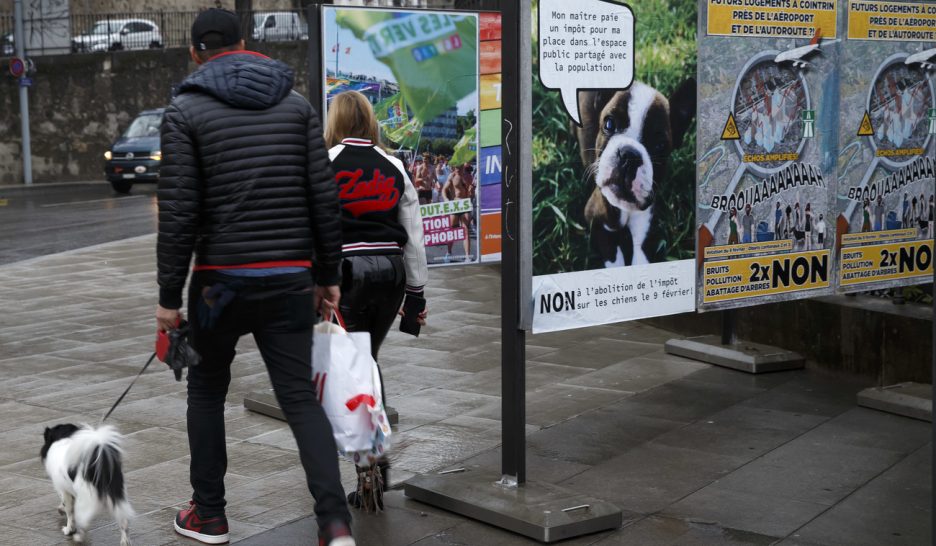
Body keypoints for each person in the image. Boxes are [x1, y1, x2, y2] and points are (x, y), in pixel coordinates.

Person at [156, 9, 354, 546]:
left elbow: (178, 214)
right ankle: (334, 524)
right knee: (299, 397)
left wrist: (169, 299)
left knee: (206, 390)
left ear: (194, 52)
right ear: (246, 43)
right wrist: (328, 273)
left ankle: (210, 516)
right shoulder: (297, 107)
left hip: (219, 283)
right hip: (290, 276)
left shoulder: (184, 111)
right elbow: (323, 197)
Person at [324, 91, 429, 510]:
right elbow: (414, 236)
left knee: (348, 368)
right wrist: (416, 298)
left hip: (345, 276)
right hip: (391, 275)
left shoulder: (324, 163)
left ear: (335, 121)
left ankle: (367, 462)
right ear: (369, 122)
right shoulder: (395, 165)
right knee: (367, 360)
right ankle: (374, 461)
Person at [442, 163, 475, 262]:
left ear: (462, 167)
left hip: (465, 204)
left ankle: (467, 256)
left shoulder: (468, 176)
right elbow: (444, 189)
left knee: (465, 230)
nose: (457, 169)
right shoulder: (452, 176)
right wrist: (446, 199)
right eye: (455, 167)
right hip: (455, 205)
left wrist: (471, 191)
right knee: (452, 229)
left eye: (459, 167)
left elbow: (471, 194)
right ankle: (449, 252)